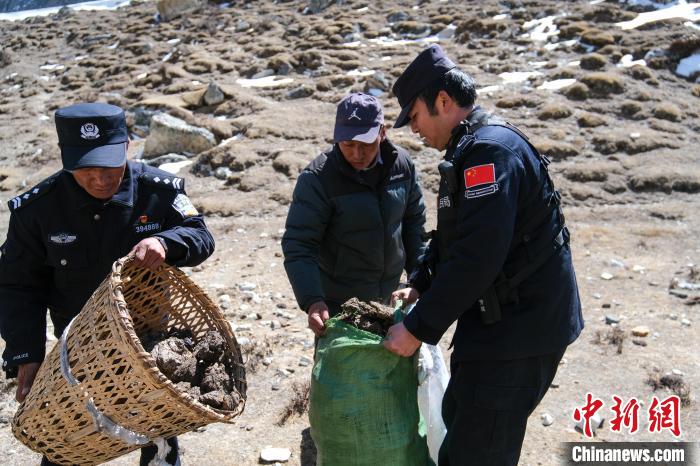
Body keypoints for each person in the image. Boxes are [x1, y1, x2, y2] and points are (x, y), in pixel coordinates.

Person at [383, 45, 584, 466]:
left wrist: (418, 328)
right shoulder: (468, 150)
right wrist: (420, 282)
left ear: (442, 101)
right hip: (496, 326)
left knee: (478, 453)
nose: (413, 128)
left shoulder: (490, 153)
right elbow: (455, 235)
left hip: (520, 332)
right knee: (458, 420)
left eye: (414, 115)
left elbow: (478, 254)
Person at [0, 102, 215, 466]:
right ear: (66, 158)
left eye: (110, 165)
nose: (100, 178)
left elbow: (199, 235)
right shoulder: (37, 210)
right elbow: (18, 286)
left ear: (127, 145)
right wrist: (26, 354)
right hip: (78, 346)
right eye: (86, 168)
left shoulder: (159, 190)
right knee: (64, 441)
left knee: (158, 435)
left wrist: (165, 243)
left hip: (149, 343)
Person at [282, 92, 427, 336]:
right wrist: (313, 300)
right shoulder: (318, 179)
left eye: (366, 144)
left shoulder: (401, 166)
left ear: (382, 132)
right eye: (348, 144)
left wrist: (418, 281)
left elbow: (414, 227)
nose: (357, 154)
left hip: (392, 299)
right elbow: (299, 244)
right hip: (341, 306)